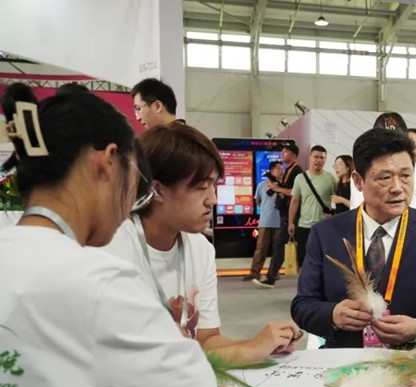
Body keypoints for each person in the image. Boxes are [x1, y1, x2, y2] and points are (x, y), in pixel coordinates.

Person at [0, 84, 223, 387]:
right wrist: (174, 338)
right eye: (135, 181)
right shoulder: (98, 281)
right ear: (106, 163)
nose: (131, 204)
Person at [104, 123, 301, 364]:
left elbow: (206, 341)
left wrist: (261, 345)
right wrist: (250, 349)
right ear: (157, 190)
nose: (213, 200)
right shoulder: (110, 248)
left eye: (215, 185)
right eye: (201, 187)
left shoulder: (200, 249)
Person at [291, 128, 416, 348]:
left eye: (405, 176)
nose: (397, 188)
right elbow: (302, 306)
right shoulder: (326, 234)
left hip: (412, 365)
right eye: (385, 178)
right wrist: (333, 314)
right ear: (358, 181)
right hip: (345, 366)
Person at [256, 141, 303, 288]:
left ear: (294, 155)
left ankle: (271, 277)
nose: (282, 153)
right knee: (281, 246)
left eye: (286, 151)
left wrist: (277, 189)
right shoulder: (288, 170)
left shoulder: (296, 171)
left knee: (281, 246)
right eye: (282, 151)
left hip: (292, 214)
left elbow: (294, 193)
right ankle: (271, 276)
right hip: (285, 213)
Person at [288, 144, 337, 267]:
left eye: (322, 158)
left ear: (325, 160)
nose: (318, 160)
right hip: (304, 226)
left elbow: (338, 200)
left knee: (322, 260)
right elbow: (294, 201)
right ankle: (306, 285)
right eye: (315, 157)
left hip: (323, 226)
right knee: (303, 259)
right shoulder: (300, 178)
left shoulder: (330, 178)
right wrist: (291, 222)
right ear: (310, 158)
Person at [244, 160, 282, 283]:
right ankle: (254, 273)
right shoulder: (261, 185)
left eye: (282, 169)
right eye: (279, 169)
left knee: (277, 249)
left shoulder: (283, 186)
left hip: (280, 222)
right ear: (272, 171)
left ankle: (273, 273)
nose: (281, 172)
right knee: (261, 248)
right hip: (265, 221)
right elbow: (257, 201)